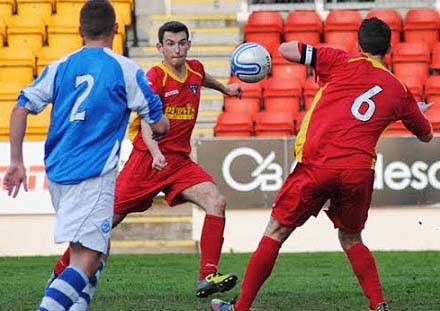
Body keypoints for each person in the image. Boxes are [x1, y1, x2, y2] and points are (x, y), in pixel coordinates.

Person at [210, 17, 433, 311]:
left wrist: (281, 58)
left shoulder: (342, 60)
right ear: (389, 48)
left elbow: (288, 51)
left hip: (319, 162)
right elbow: (427, 135)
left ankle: (240, 309)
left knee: (276, 231)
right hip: (358, 170)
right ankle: (378, 305)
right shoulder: (399, 90)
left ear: (358, 43)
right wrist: (413, 110)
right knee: (352, 237)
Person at [48, 20, 243, 308]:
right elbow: (147, 122)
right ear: (160, 48)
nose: (177, 48)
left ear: (189, 44)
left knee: (217, 201)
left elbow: (202, 79)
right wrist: (154, 152)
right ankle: (60, 274)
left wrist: (224, 89)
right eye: (171, 43)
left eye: (181, 42)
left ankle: (208, 275)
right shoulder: (155, 77)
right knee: (103, 224)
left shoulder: (196, 69)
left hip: (178, 162)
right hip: (145, 163)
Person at [2, 1, 169, 310]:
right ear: (116, 29)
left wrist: (16, 161)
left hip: (57, 172)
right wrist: (163, 124)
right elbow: (158, 123)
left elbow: (20, 107)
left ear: (80, 31)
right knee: (86, 259)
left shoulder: (60, 66)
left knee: (98, 249)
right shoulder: (125, 69)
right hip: (92, 174)